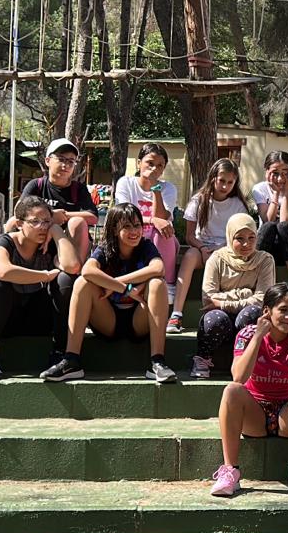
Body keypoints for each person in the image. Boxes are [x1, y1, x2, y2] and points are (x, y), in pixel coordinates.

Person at [41, 202, 177, 385]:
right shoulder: (106, 248)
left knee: (157, 284)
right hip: (108, 319)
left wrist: (116, 283)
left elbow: (158, 268)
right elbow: (87, 271)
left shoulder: (145, 247)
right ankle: (71, 360)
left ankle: (158, 362)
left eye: (137, 225)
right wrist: (126, 289)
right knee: (82, 283)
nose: (134, 231)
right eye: (127, 226)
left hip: (139, 320)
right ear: (114, 229)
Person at [210, 284, 288, 499]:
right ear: (267, 311)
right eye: (283, 310)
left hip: (287, 413)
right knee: (232, 390)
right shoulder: (247, 334)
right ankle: (230, 471)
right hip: (255, 413)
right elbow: (239, 377)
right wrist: (258, 337)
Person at [0, 197, 79, 381]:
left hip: (38, 317)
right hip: (5, 317)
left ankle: (59, 353)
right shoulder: (4, 242)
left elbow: (72, 266)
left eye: (46, 221)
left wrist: (56, 231)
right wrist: (45, 276)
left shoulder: (49, 244)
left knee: (65, 280)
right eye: (35, 221)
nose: (42, 227)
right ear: (20, 224)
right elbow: (2, 270)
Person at [190, 213, 274, 379]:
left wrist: (223, 302)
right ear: (230, 237)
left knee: (252, 313)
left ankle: (247, 362)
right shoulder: (217, 259)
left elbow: (262, 299)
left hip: (243, 317)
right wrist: (247, 292)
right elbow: (208, 298)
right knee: (214, 319)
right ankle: (203, 358)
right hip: (223, 319)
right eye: (239, 238)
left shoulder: (264, 260)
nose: (246, 244)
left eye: (251, 237)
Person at [175, 158, 248, 333]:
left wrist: (221, 249)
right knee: (189, 256)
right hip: (202, 249)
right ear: (213, 178)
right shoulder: (198, 200)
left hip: (227, 250)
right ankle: (176, 313)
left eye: (230, 182)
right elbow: (189, 236)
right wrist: (202, 248)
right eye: (222, 180)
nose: (225, 186)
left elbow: (241, 235)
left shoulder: (237, 205)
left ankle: (231, 313)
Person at [113, 142, 181, 321]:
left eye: (160, 166)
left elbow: (162, 218)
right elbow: (125, 216)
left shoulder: (168, 188)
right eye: (150, 163)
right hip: (132, 238)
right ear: (139, 163)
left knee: (164, 230)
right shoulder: (126, 183)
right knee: (158, 226)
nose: (154, 169)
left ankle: (168, 283)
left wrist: (155, 188)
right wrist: (152, 220)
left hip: (158, 241)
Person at [23, 138, 100, 261]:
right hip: (39, 237)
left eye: (71, 161)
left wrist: (64, 216)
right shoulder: (36, 185)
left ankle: (74, 267)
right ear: (48, 161)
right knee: (12, 223)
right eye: (61, 159)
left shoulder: (78, 189)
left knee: (77, 222)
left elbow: (93, 217)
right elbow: (19, 212)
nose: (66, 165)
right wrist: (50, 216)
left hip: (67, 242)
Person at [250, 150, 288, 291]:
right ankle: (255, 285)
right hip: (266, 246)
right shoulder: (259, 189)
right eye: (275, 173)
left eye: (285, 173)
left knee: (282, 227)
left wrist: (287, 191)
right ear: (266, 172)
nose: (280, 178)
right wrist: (276, 194)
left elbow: (286, 222)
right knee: (269, 226)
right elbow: (267, 219)